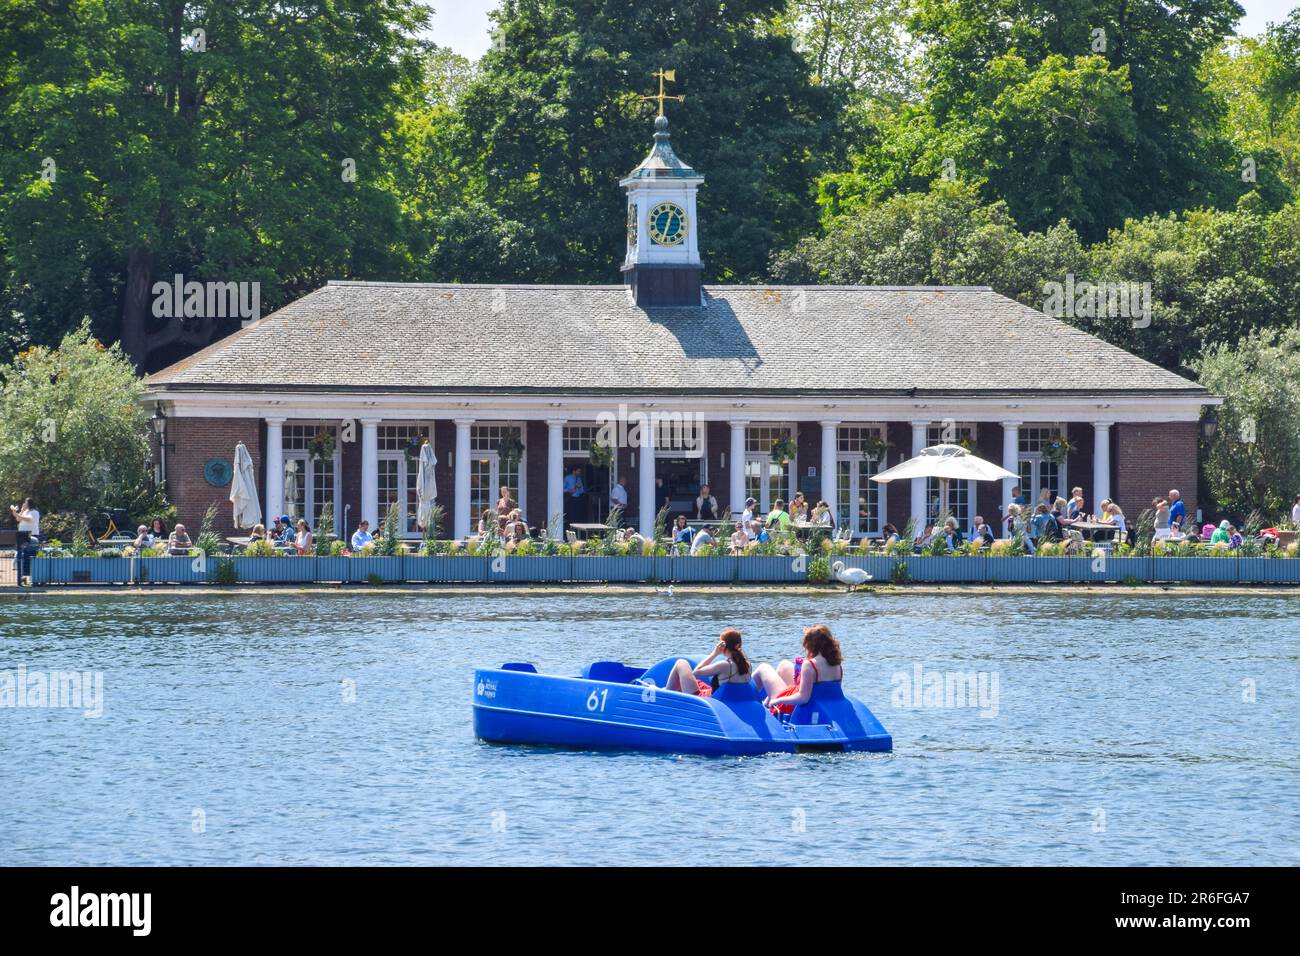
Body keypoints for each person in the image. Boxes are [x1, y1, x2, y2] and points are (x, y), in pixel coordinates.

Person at [752, 624, 845, 715]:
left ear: (810, 645)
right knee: (784, 665)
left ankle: (749, 700)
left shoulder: (810, 665)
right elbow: (830, 692)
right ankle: (767, 698)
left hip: (795, 707)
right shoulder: (837, 665)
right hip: (819, 703)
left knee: (763, 668)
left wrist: (777, 700)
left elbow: (803, 698)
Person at [662, 629, 753, 698]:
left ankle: (666, 694)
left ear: (722, 645)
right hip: (730, 698)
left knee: (681, 663)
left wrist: (714, 654)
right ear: (739, 645)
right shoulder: (747, 664)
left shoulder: (724, 665)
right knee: (698, 683)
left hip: (710, 699)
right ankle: (673, 691)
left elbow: (696, 673)